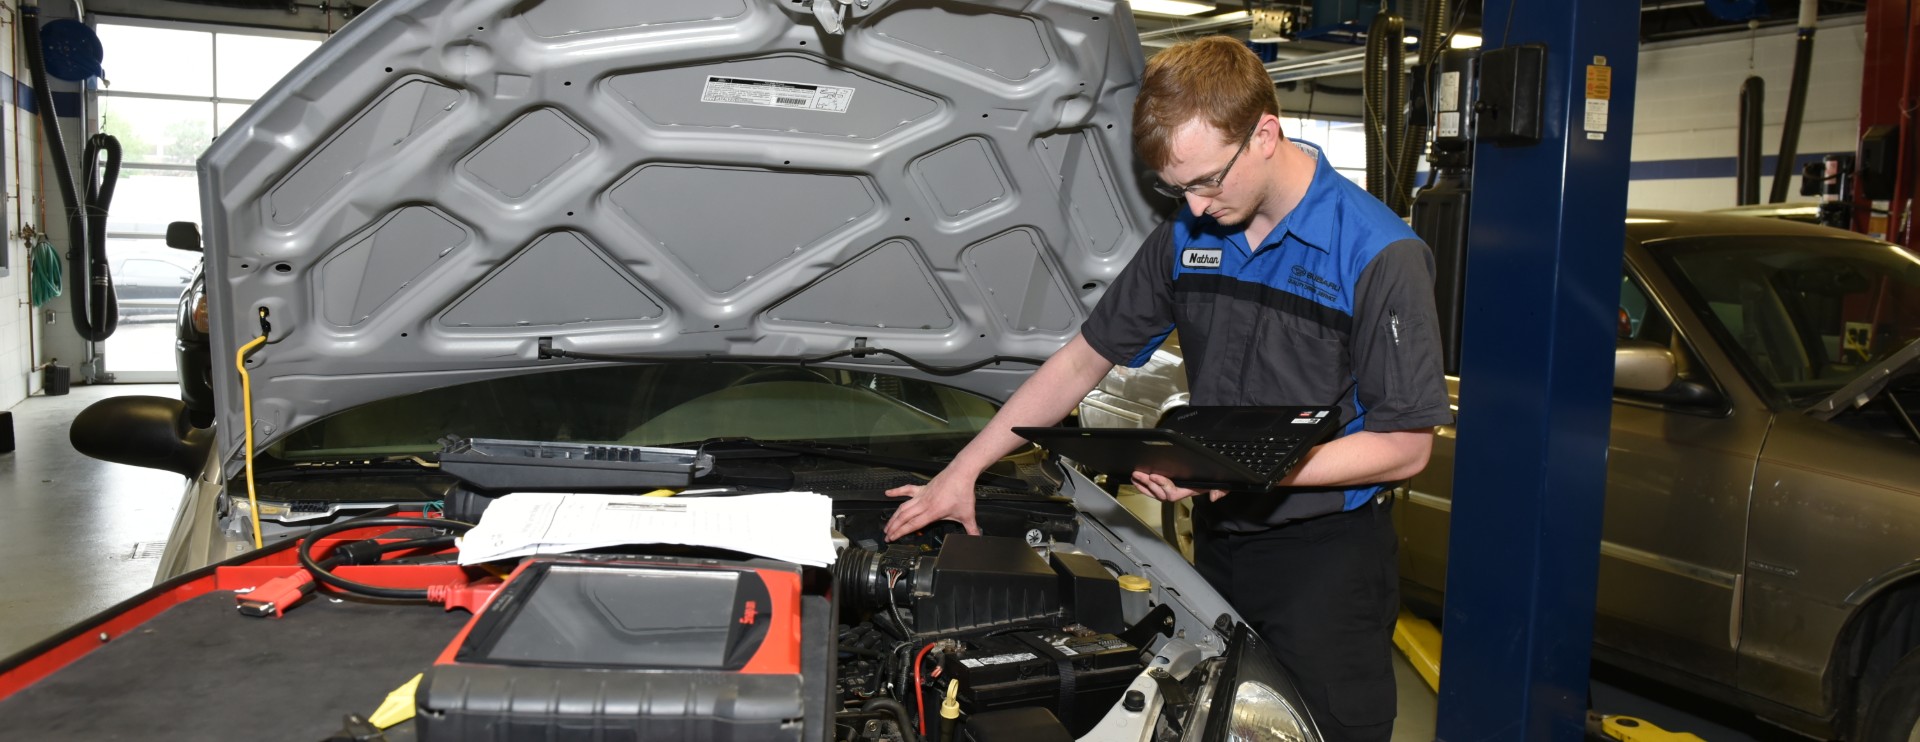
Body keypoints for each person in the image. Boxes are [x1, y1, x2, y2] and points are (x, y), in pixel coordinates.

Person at [881, 35, 1451, 741]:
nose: (1196, 205)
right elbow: (1082, 361)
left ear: (1265, 134)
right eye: (1176, 188)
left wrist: (1244, 471)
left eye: (1208, 180)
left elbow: (1404, 445)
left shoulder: (1377, 253)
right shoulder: (1187, 235)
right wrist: (963, 471)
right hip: (1215, 545)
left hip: (1325, 563)